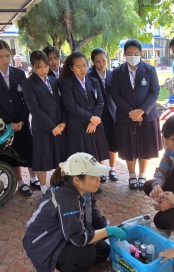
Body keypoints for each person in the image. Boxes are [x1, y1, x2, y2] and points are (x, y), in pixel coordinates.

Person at [23, 152, 128, 272]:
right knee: (86, 254)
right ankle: (52, 269)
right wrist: (108, 231)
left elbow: (94, 214)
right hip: (43, 243)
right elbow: (78, 238)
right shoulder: (67, 200)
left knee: (103, 251)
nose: (99, 179)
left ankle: (69, 258)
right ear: (77, 179)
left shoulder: (83, 189)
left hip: (62, 233)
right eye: (93, 176)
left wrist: (110, 229)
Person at [0, 40, 38, 197]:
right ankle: (20, 182)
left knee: (29, 150)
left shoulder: (19, 73)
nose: (5, 60)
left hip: (22, 121)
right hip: (5, 123)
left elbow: (26, 99)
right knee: (12, 152)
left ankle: (34, 178)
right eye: (1, 56)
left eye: (7, 55)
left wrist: (21, 120)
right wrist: (8, 123)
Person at [112, 39, 162, 190]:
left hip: (147, 114)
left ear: (140, 54)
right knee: (128, 145)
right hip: (125, 116)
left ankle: (142, 174)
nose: (132, 56)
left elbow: (154, 92)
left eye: (136, 54)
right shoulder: (118, 72)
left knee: (145, 144)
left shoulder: (149, 70)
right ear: (124, 54)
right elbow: (115, 94)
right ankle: (132, 175)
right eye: (129, 54)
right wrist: (131, 112)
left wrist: (141, 111)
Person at [21, 50, 67, 195]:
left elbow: (61, 103)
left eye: (45, 66)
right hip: (42, 128)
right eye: (39, 67)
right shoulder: (28, 83)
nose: (43, 70)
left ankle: (59, 185)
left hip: (58, 126)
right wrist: (51, 126)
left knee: (59, 157)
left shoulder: (54, 81)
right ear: (33, 66)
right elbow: (34, 108)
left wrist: (62, 123)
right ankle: (43, 189)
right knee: (42, 158)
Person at [60, 51, 110, 183]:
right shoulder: (67, 83)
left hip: (94, 125)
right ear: (71, 68)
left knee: (95, 155)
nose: (82, 69)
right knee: (81, 157)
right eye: (78, 66)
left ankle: (94, 180)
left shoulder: (93, 81)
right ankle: (82, 183)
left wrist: (94, 121)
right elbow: (71, 105)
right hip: (78, 126)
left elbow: (100, 102)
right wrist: (90, 118)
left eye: (84, 65)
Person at [89, 48, 118, 182]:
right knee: (100, 142)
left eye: (104, 61)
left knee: (113, 142)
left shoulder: (113, 74)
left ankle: (112, 169)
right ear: (93, 62)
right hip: (97, 115)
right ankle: (102, 170)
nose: (101, 64)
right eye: (98, 62)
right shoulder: (90, 77)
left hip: (112, 113)